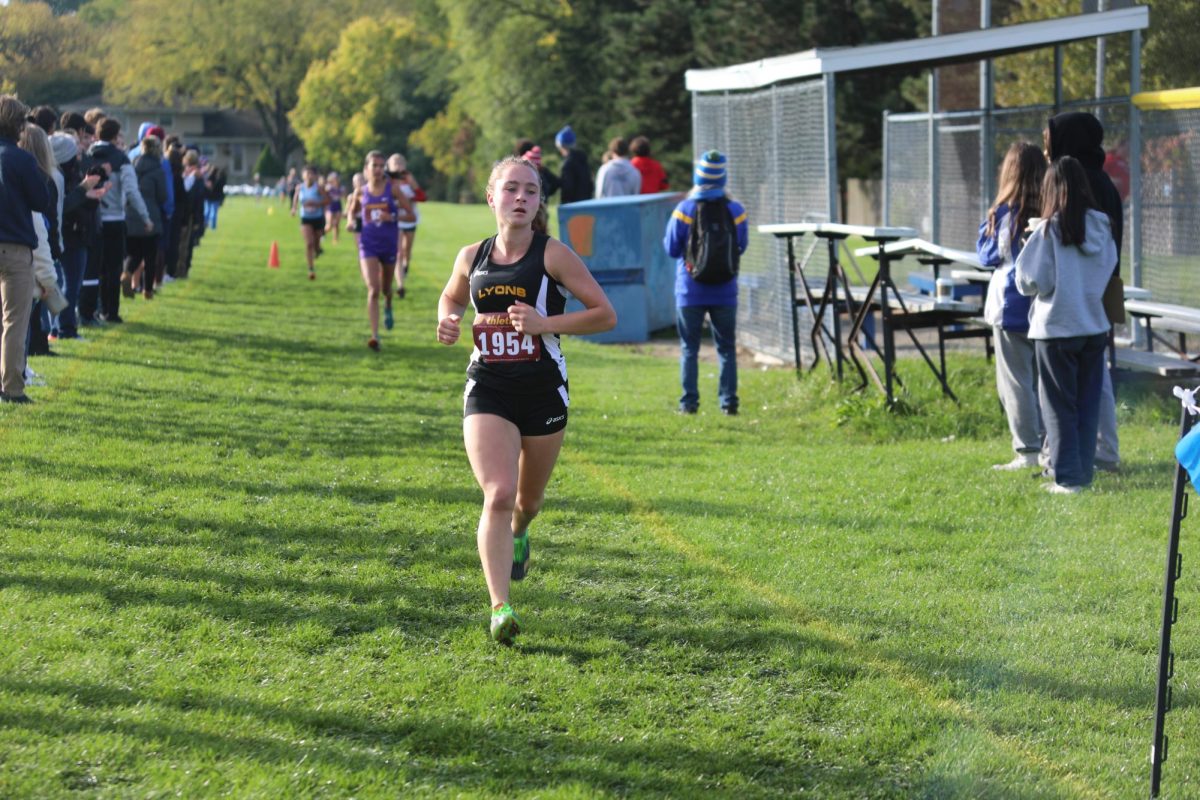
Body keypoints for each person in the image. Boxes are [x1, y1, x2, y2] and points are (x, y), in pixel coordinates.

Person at [436, 155, 616, 644]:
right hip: (488, 385)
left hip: (542, 391)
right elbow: (451, 297)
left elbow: (605, 314)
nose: (521, 198)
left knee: (527, 501)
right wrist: (447, 318)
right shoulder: (471, 256)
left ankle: (520, 532)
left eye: (531, 191)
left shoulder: (553, 255)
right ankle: (500, 607)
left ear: (539, 202)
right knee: (497, 493)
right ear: (492, 196)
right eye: (511, 189)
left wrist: (545, 324)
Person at [1015, 157, 1117, 494]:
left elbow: (1031, 281)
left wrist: (1026, 243)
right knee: (1088, 404)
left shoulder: (1047, 230)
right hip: (1093, 325)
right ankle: (1083, 473)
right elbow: (1109, 268)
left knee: (1058, 406)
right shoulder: (1102, 225)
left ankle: (1068, 477)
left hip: (1056, 328)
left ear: (1051, 190)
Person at [1044, 111, 1123, 472]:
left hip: (1084, 291)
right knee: (1094, 375)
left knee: (1093, 379)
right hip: (1103, 285)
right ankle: (1093, 451)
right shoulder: (1101, 180)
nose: (1046, 146)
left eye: (1050, 138)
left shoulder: (1081, 183)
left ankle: (1096, 452)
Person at [977, 142, 1046, 471]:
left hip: (1011, 307)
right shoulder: (1052, 209)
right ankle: (1051, 444)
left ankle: (1028, 451)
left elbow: (988, 256)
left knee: (1016, 382)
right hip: (1046, 306)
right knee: (1043, 381)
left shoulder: (1005, 212)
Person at [663, 150, 749, 415]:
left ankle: (688, 404)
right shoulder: (736, 210)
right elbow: (741, 246)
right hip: (725, 290)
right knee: (726, 348)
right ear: (723, 179)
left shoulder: (685, 209)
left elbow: (671, 248)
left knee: (689, 348)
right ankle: (728, 403)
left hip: (690, 289)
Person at [343, 151, 415, 350]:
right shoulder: (360, 192)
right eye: (373, 165)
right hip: (368, 245)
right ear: (366, 169)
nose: (377, 169)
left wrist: (391, 218)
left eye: (380, 166)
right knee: (373, 289)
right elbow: (351, 211)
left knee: (385, 289)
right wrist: (350, 222)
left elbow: (411, 215)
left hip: (389, 244)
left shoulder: (392, 190)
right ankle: (374, 335)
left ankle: (389, 303)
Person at [88, 117, 151, 322]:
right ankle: (110, 311)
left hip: (90, 217)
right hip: (114, 218)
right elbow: (132, 192)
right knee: (113, 267)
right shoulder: (121, 159)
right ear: (116, 136)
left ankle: (91, 309)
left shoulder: (87, 154)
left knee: (93, 268)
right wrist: (145, 217)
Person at [127, 135, 168, 299]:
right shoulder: (158, 169)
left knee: (133, 253)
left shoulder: (132, 164)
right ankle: (147, 290)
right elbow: (163, 196)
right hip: (151, 215)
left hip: (131, 213)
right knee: (150, 256)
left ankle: (127, 273)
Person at [386, 153, 423, 300]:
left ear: (404, 166)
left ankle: (406, 265)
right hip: (397, 220)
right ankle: (400, 286)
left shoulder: (409, 179)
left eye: (400, 163)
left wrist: (408, 199)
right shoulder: (387, 181)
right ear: (389, 166)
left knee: (407, 251)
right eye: (395, 163)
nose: (397, 166)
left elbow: (422, 197)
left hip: (411, 219)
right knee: (399, 253)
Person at [291, 165, 328, 280]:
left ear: (315, 176)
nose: (309, 176)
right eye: (307, 173)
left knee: (316, 244)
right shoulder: (300, 187)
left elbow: (327, 200)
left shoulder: (319, 188)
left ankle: (318, 249)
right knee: (309, 243)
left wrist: (316, 204)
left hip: (318, 218)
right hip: (305, 218)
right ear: (303, 175)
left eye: (311, 173)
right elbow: (296, 197)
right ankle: (311, 269)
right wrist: (294, 208)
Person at [555, 125, 593, 203]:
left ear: (561, 145)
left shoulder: (567, 165)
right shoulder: (583, 160)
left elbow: (567, 190)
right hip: (588, 204)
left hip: (573, 208)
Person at [324, 171, 344, 245]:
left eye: (336, 178)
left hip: (338, 205)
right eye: (334, 178)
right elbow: (324, 195)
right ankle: (322, 234)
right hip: (330, 206)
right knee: (329, 225)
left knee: (336, 224)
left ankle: (335, 239)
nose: (336, 180)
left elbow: (342, 196)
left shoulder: (341, 187)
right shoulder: (329, 187)